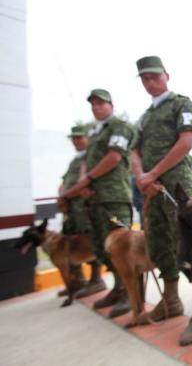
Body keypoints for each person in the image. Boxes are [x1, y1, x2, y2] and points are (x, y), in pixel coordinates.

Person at [131, 56, 192, 324]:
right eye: (145, 79)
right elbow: (134, 151)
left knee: (189, 245)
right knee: (159, 243)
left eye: (154, 76)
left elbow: (186, 143)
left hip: (176, 186)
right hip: (152, 189)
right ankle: (171, 300)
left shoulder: (182, 103)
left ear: (166, 75)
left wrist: (152, 174)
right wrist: (141, 178)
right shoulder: (144, 118)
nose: (150, 82)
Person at [61, 89, 135, 318]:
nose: (96, 107)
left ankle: (131, 295)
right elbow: (87, 163)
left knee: (121, 249)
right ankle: (118, 287)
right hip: (94, 198)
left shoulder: (119, 127)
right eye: (93, 104)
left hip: (114, 197)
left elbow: (113, 158)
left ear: (111, 105)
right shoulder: (95, 134)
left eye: (101, 103)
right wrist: (84, 184)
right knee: (104, 249)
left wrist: (88, 179)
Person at [58, 124, 104, 297]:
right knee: (72, 244)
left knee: (90, 243)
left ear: (88, 138)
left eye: (79, 137)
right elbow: (65, 181)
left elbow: (84, 182)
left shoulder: (92, 157)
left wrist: (67, 195)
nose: (76, 141)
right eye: (74, 138)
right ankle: (78, 280)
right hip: (71, 210)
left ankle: (96, 280)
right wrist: (62, 196)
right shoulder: (76, 160)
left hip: (84, 208)